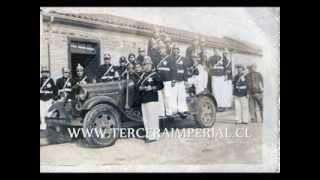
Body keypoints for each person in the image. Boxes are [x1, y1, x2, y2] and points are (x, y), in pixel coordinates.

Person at [138, 56, 164, 143]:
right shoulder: (143, 75)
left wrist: (152, 88)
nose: (146, 66)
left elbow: (161, 85)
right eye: (144, 64)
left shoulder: (155, 75)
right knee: (146, 118)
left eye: (147, 64)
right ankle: (149, 135)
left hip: (152, 99)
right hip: (144, 99)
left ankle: (154, 136)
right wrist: (141, 88)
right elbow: (138, 86)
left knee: (152, 117)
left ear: (151, 65)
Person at [156, 43, 176, 116]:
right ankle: (161, 113)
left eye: (162, 49)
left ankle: (169, 112)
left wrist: (173, 80)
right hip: (159, 81)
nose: (160, 50)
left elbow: (173, 70)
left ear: (165, 49)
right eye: (159, 49)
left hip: (167, 80)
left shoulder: (170, 58)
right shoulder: (157, 59)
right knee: (160, 98)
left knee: (167, 97)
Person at [171, 45, 189, 113]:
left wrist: (186, 80)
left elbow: (185, 70)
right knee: (173, 96)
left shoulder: (183, 59)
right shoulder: (171, 58)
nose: (175, 51)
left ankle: (182, 110)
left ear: (179, 51)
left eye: (177, 49)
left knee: (181, 95)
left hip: (181, 80)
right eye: (174, 49)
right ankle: (174, 110)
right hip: (173, 80)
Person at [40, 66, 57, 130]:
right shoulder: (40, 80)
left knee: (48, 112)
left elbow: (55, 89)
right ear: (41, 73)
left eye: (46, 72)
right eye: (43, 72)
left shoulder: (51, 80)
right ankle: (43, 125)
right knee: (41, 113)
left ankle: (49, 124)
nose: (44, 73)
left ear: (48, 73)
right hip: (41, 98)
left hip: (49, 98)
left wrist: (54, 97)